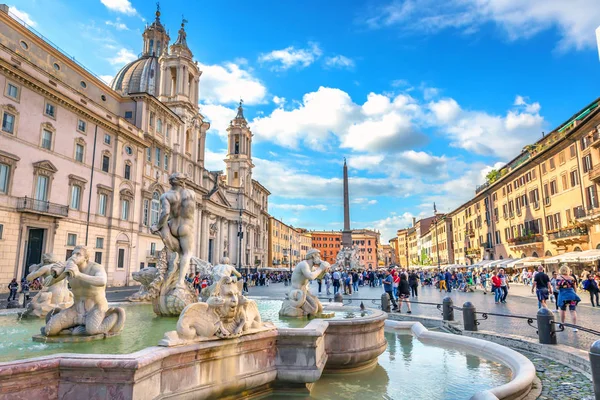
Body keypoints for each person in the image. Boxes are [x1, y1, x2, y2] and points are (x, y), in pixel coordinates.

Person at [151, 173, 195, 290]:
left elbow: (165, 213)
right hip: (186, 227)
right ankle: (180, 282)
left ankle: (169, 275)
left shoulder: (166, 196)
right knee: (186, 254)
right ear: (183, 181)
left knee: (175, 252)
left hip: (171, 226)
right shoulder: (191, 194)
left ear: (171, 182)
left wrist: (158, 226)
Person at [556, 265, 581, 332]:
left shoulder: (559, 277)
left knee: (563, 310)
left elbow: (557, 287)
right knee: (573, 311)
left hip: (563, 296)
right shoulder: (572, 278)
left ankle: (562, 324)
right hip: (572, 295)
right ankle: (574, 327)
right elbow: (575, 288)